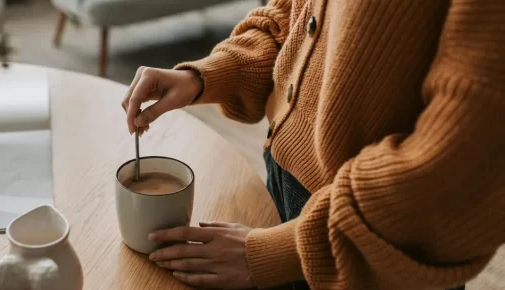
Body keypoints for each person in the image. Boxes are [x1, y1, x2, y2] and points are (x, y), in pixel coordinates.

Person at [121, 0, 505, 289]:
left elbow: (464, 165)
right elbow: (295, 14)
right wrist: (208, 75)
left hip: (378, 240)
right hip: (282, 184)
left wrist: (285, 252)